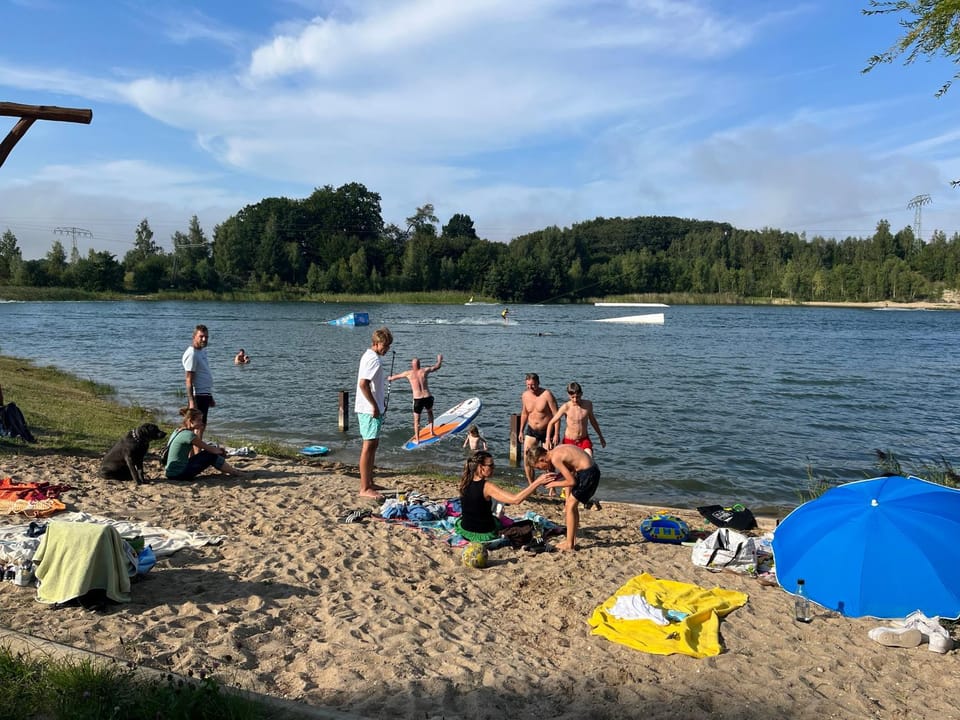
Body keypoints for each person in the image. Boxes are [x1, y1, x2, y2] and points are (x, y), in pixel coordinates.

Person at [455, 450, 549, 543]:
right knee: (531, 525)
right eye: (491, 465)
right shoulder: (487, 486)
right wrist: (537, 482)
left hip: (465, 529)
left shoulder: (465, 481)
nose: (494, 467)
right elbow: (516, 500)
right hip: (483, 533)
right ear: (481, 467)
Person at [527, 444, 600, 551]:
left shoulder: (556, 458)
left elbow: (571, 481)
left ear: (542, 459)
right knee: (572, 506)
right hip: (591, 470)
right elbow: (571, 468)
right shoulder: (557, 450)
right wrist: (557, 477)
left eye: (538, 467)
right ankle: (572, 540)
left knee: (570, 506)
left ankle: (569, 544)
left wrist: (553, 484)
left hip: (588, 474)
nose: (541, 470)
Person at [355, 326, 394, 500]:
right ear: (376, 343)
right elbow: (363, 384)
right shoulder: (373, 360)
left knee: (373, 445)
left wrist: (379, 401)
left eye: (388, 346)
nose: (387, 349)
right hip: (369, 410)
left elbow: (372, 385)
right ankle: (364, 487)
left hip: (371, 408)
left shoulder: (370, 356)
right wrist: (374, 406)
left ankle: (369, 481)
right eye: (385, 345)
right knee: (368, 447)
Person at [164, 408, 242, 480]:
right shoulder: (189, 435)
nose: (202, 423)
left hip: (170, 472)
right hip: (179, 474)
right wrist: (221, 451)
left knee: (210, 452)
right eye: (199, 420)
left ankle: (231, 470)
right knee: (210, 455)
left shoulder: (177, 431)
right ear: (191, 421)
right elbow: (209, 449)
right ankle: (235, 472)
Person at [388, 354, 443, 441]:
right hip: (428, 396)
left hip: (418, 399)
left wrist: (390, 378)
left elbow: (396, 377)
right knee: (430, 413)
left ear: (412, 365)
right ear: (419, 364)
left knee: (417, 420)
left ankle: (417, 439)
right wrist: (439, 360)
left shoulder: (408, 373)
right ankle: (432, 432)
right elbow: (437, 367)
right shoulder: (424, 370)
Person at [518, 373, 558, 487]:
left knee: (549, 460)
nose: (530, 387)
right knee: (527, 458)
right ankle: (532, 486)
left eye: (533, 385)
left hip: (547, 431)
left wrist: (556, 434)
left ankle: (552, 488)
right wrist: (521, 430)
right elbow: (525, 413)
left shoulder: (547, 395)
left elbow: (557, 416)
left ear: (538, 383)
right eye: (528, 385)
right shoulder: (525, 395)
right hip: (531, 430)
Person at [546, 381, 606, 456]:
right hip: (569, 441)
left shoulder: (588, 405)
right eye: (572, 397)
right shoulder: (566, 407)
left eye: (577, 397)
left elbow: (593, 421)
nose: (575, 400)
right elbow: (551, 422)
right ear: (568, 396)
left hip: (583, 440)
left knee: (589, 458)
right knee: (570, 465)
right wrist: (548, 438)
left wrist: (600, 436)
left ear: (581, 394)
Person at [182, 324, 214, 441]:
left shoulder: (201, 351)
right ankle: (195, 455)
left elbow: (203, 374)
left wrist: (210, 396)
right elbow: (189, 380)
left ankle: (195, 454)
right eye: (201, 336)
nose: (204, 339)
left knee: (201, 425)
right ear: (194, 336)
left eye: (206, 337)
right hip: (198, 395)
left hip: (204, 394)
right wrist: (191, 402)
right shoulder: (192, 354)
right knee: (197, 426)